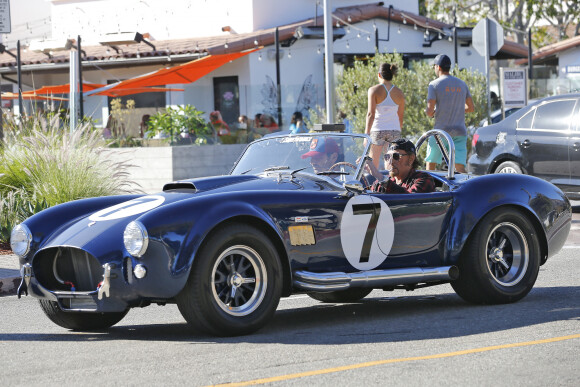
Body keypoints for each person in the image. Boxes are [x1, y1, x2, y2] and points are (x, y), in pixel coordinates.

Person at [424, 54, 475, 173]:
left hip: (440, 133)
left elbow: (429, 111)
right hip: (459, 132)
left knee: (430, 165)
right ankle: (464, 190)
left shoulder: (434, 85)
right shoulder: (462, 84)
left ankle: (428, 187)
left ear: (438, 67)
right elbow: (471, 108)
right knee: (460, 167)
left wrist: (429, 112)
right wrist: (455, 108)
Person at [365, 63, 405, 169]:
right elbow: (400, 116)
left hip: (378, 129)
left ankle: (373, 184)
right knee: (392, 162)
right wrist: (397, 131)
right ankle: (392, 184)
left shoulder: (373, 90)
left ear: (379, 75)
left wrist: (366, 134)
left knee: (373, 161)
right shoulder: (399, 93)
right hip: (394, 129)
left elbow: (370, 114)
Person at [364, 139, 435, 194]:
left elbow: (410, 201)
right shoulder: (383, 181)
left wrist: (380, 177)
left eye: (396, 156)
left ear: (411, 159)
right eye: (387, 157)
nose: (390, 162)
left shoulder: (424, 179)